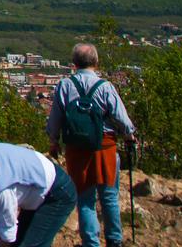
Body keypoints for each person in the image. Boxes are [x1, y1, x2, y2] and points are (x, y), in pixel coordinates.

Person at [46, 43, 137, 247]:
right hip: (104, 147)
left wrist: (54, 141)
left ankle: (91, 242)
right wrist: (129, 136)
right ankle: (114, 240)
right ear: (96, 62)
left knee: (85, 199)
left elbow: (56, 118)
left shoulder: (65, 86)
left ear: (74, 63)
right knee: (109, 196)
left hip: (77, 149)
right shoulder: (105, 87)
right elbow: (120, 117)